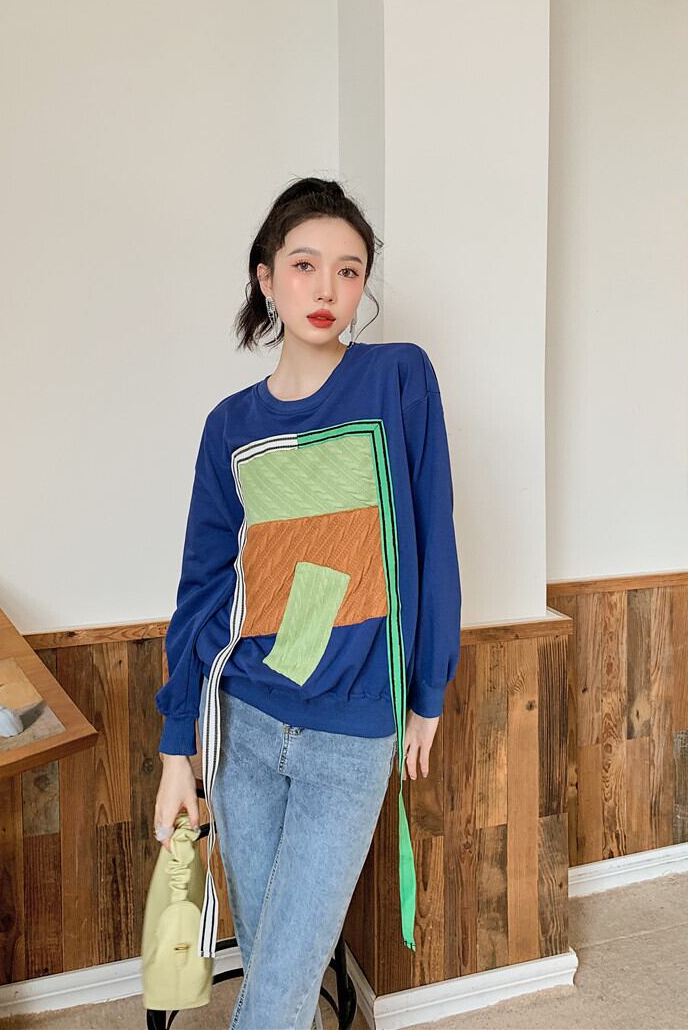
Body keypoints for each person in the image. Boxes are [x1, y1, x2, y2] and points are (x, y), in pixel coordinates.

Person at [152, 176, 462, 1030]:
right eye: (303, 264)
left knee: (279, 990)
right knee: (273, 969)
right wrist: (177, 749)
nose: (326, 287)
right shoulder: (229, 426)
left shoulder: (397, 379)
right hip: (243, 723)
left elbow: (432, 533)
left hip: (350, 733)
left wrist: (428, 690)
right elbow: (202, 589)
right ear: (266, 278)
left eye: (348, 270)